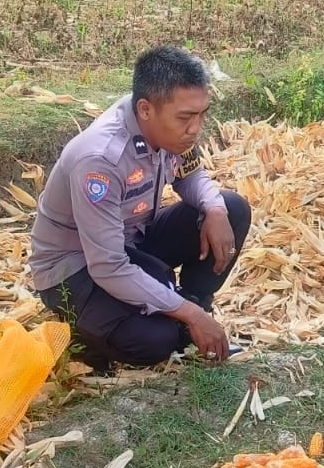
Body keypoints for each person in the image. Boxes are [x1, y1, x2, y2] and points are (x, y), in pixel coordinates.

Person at [30, 46, 251, 368]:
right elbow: (107, 265)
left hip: (130, 240)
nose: (196, 128)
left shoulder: (167, 125)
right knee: (153, 341)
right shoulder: (101, 160)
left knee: (232, 209)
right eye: (187, 118)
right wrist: (185, 314)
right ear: (146, 109)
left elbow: (190, 175)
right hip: (76, 265)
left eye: (202, 114)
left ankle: (196, 304)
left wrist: (214, 209)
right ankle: (84, 332)